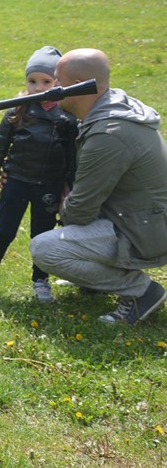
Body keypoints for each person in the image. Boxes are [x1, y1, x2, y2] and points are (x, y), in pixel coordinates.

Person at [30, 48, 167, 325]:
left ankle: (142, 292)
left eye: (58, 81)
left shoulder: (108, 133)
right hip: (140, 217)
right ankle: (97, 279)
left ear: (80, 85)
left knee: (45, 249)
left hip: (146, 229)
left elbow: (79, 211)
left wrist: (66, 204)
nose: (52, 88)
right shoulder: (111, 107)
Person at [0, 46, 78, 303]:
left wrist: (69, 187)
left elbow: (72, 157)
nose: (38, 87)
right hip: (16, 182)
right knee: (3, 230)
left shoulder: (67, 118)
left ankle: (40, 281)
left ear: (58, 82)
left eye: (46, 81)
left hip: (48, 187)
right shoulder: (17, 111)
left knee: (43, 235)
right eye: (32, 81)